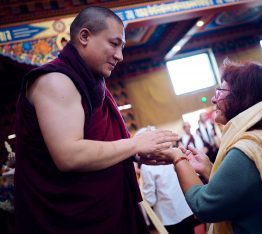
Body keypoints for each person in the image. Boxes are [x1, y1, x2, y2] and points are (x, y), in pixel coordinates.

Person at [14, 6, 177, 234]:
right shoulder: (56, 81)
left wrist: (134, 154)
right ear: (84, 37)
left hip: (106, 209)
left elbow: (95, 140)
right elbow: (69, 156)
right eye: (114, 43)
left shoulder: (91, 80)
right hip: (73, 220)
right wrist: (134, 144)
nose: (120, 56)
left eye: (122, 47)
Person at [153, 61, 262, 233]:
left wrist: (178, 159)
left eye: (220, 91)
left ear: (244, 97)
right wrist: (208, 169)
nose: (214, 98)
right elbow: (245, 192)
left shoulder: (248, 150)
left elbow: (204, 205)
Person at [138, 126, 195, 234]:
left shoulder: (147, 166)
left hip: (168, 215)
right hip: (185, 208)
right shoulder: (174, 152)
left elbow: (150, 199)